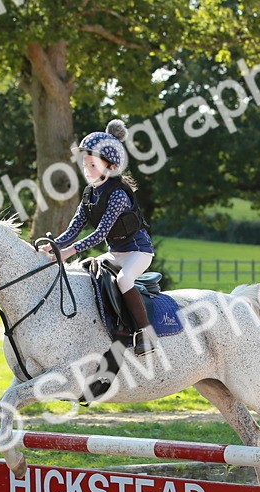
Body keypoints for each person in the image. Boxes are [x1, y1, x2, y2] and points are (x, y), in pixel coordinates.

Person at [40, 119, 156, 355]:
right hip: (116, 253)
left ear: (111, 167)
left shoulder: (118, 195)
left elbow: (100, 233)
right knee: (83, 272)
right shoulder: (90, 194)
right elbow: (73, 230)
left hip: (138, 252)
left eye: (92, 164)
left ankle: (146, 333)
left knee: (124, 280)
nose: (86, 168)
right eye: (85, 164)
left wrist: (69, 251)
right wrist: (53, 247)